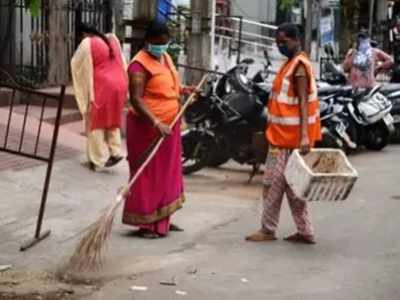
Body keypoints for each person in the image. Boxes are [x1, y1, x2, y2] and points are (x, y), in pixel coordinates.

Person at [246, 23, 321, 244]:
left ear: (296, 40)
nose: (280, 46)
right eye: (277, 42)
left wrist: (305, 137)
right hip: (282, 136)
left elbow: (304, 104)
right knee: (293, 187)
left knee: (272, 184)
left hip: (291, 140)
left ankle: (268, 229)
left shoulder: (298, 67)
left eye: (283, 42)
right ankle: (305, 231)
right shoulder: (290, 63)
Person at [123, 20, 195, 239]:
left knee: (167, 172)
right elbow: (136, 99)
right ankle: (148, 222)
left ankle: (163, 217)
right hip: (149, 130)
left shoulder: (165, 58)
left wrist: (184, 90)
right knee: (149, 174)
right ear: (148, 41)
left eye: (166, 42)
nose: (162, 47)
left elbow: (168, 86)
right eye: (159, 43)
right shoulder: (138, 65)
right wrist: (156, 122)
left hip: (169, 127)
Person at [71, 23, 128, 171]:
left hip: (102, 86)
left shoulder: (87, 43)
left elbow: (76, 63)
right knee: (113, 119)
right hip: (119, 85)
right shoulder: (112, 39)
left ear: (83, 34)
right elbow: (122, 62)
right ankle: (115, 152)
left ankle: (96, 160)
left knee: (95, 122)